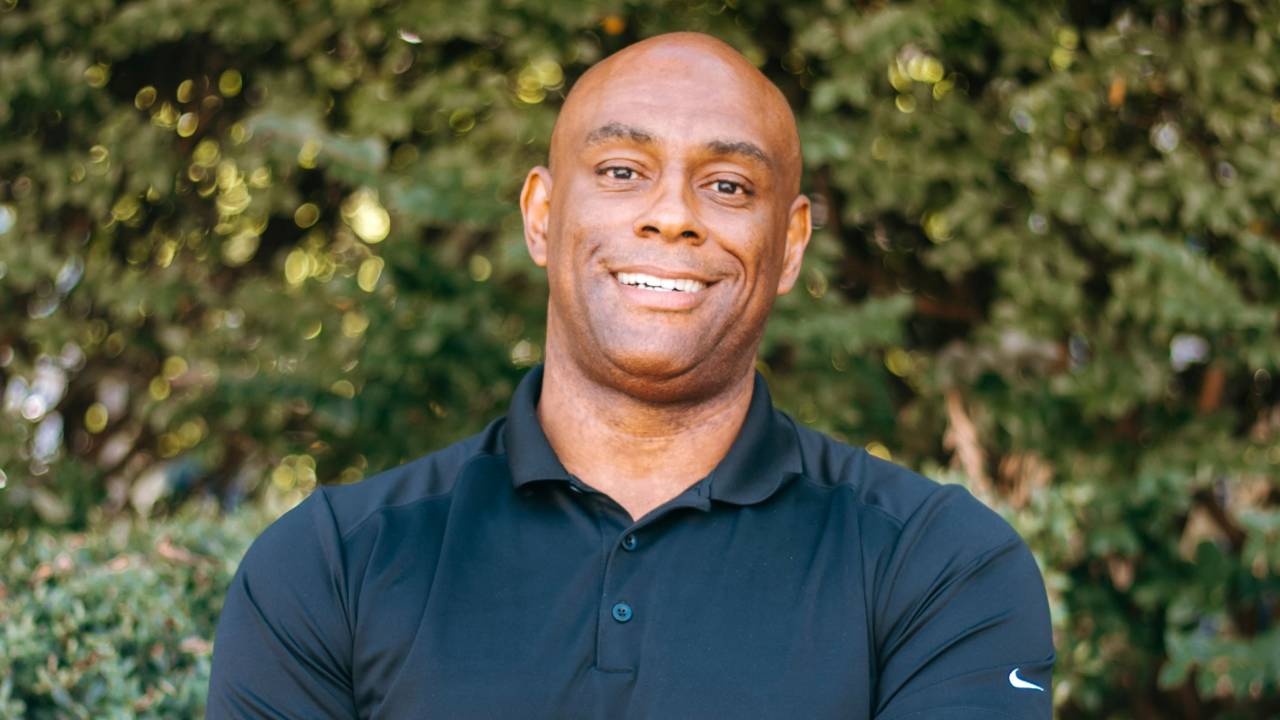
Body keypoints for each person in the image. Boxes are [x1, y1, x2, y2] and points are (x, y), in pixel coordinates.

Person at [207, 32, 1055, 719]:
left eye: (728, 185)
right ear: (542, 216)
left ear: (790, 245)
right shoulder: (331, 565)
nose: (672, 215)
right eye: (622, 172)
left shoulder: (939, 567)